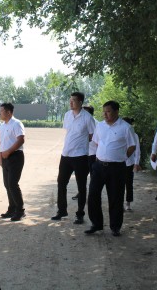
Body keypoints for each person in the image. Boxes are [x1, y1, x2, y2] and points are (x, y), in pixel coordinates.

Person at [85, 101, 136, 237]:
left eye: (108, 111)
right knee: (93, 195)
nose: (105, 114)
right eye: (104, 111)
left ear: (116, 112)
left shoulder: (126, 127)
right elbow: (96, 142)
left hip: (117, 168)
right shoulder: (100, 126)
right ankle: (96, 224)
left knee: (115, 197)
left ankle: (115, 227)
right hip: (99, 166)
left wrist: (122, 157)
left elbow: (132, 146)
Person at [52, 92, 96, 224]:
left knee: (81, 186)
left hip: (81, 156)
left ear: (80, 102)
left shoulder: (87, 117)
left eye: (74, 100)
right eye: (70, 100)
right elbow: (69, 132)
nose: (71, 102)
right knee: (61, 183)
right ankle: (61, 211)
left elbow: (93, 135)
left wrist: (81, 143)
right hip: (66, 155)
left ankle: (80, 214)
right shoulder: (67, 115)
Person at [0, 102, 26, 221]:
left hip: (15, 157)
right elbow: (1, 142)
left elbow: (21, 140)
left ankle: (20, 211)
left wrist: (9, 151)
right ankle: (12, 209)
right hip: (5, 158)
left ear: (9, 112)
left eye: (1, 111)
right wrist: (0, 157)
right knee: (7, 184)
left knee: (13, 184)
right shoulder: (2, 126)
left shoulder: (16, 123)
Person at [72, 105, 98, 201]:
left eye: (85, 112)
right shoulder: (79, 122)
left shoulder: (97, 124)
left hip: (93, 154)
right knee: (80, 176)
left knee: (93, 177)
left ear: (90, 114)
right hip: (82, 154)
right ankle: (81, 193)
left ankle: (92, 196)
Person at [122, 117, 141, 212]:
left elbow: (137, 150)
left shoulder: (135, 135)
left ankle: (128, 203)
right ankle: (119, 202)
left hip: (129, 163)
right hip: (118, 162)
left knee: (129, 183)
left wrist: (136, 163)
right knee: (118, 184)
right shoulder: (118, 133)